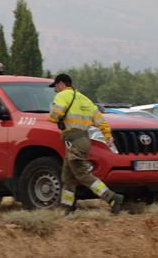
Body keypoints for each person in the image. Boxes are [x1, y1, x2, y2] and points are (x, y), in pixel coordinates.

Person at [47, 73, 124, 214]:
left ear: (62, 84)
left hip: (73, 141)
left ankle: (112, 197)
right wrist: (107, 136)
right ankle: (67, 206)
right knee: (67, 177)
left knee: (82, 174)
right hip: (83, 140)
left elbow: (55, 115)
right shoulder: (86, 100)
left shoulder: (62, 96)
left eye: (56, 87)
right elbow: (100, 121)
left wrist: (52, 114)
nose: (55, 90)